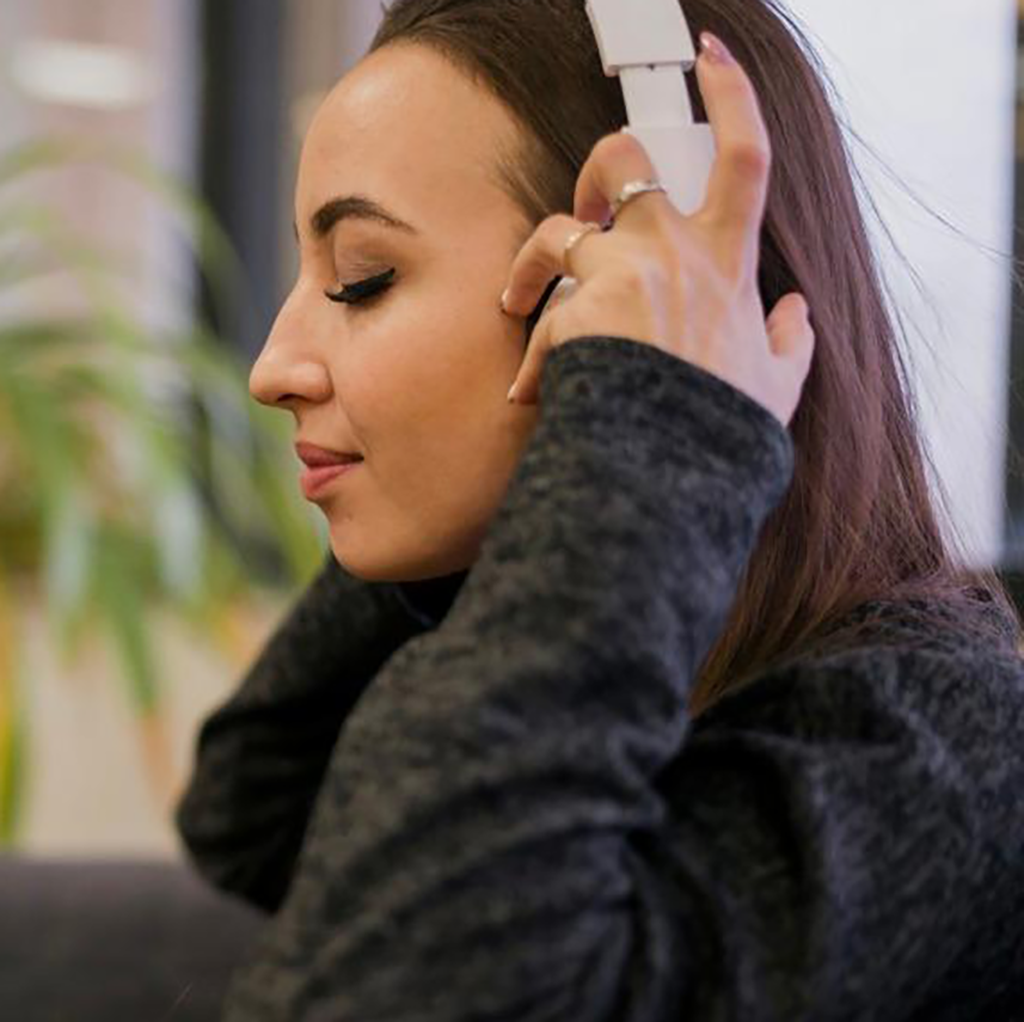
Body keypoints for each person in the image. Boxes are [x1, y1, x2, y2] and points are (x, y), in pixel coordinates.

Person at [174, 1, 1024, 1018]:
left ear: (636, 283)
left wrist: (647, 418)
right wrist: (565, 489)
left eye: (364, 277)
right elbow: (253, 801)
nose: (271, 367)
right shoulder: (624, 617)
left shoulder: (943, 750)